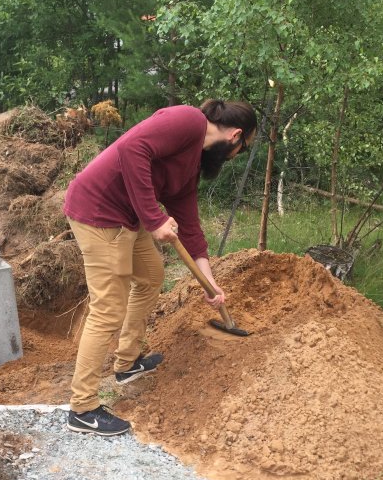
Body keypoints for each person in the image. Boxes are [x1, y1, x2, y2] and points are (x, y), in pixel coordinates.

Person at [63, 99, 257, 436]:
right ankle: (82, 408)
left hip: (128, 218)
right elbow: (131, 148)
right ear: (236, 136)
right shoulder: (188, 120)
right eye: (242, 149)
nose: (234, 158)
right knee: (108, 308)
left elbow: (192, 231)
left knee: (152, 275)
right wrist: (153, 218)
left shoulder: (189, 166)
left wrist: (210, 284)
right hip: (98, 211)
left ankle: (126, 363)